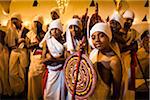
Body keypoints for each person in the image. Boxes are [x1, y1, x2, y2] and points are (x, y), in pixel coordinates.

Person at [89, 22, 122, 100]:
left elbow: (117, 88)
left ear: (109, 36)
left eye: (101, 36)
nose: (97, 40)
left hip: (103, 96)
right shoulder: (93, 53)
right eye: (93, 37)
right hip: (90, 95)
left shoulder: (114, 61)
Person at [41, 19, 66, 100]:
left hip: (61, 72)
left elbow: (66, 60)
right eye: (52, 29)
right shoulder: (47, 42)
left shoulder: (64, 42)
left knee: (60, 94)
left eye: (57, 29)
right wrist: (55, 59)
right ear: (50, 31)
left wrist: (52, 59)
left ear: (61, 31)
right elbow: (43, 59)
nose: (54, 31)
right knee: (48, 94)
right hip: (51, 72)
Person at [6, 13, 29, 95]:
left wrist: (23, 41)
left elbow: (29, 44)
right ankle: (16, 89)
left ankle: (21, 90)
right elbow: (8, 43)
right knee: (12, 72)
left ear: (20, 21)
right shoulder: (11, 30)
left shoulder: (26, 30)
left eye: (16, 21)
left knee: (22, 71)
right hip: (14, 52)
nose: (14, 23)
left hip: (23, 52)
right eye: (13, 21)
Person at [27, 15, 45, 100]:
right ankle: (33, 96)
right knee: (32, 76)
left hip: (42, 57)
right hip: (34, 57)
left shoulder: (44, 34)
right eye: (35, 23)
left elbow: (45, 46)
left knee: (41, 78)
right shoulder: (30, 34)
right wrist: (37, 44)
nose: (36, 25)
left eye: (38, 23)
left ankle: (40, 96)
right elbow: (27, 45)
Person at [0, 27, 12, 96]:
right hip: (3, 53)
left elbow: (5, 43)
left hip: (3, 54)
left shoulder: (2, 33)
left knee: (4, 72)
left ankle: (5, 89)